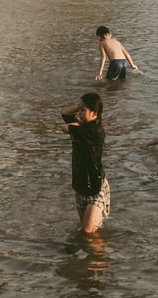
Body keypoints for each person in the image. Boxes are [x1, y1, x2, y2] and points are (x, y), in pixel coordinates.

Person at [61, 93, 109, 233]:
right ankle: (97, 253)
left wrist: (75, 123)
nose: (80, 113)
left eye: (83, 110)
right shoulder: (81, 126)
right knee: (87, 231)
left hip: (95, 186)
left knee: (88, 230)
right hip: (80, 185)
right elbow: (64, 113)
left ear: (94, 113)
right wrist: (80, 106)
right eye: (79, 110)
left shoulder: (96, 131)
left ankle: (99, 253)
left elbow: (65, 128)